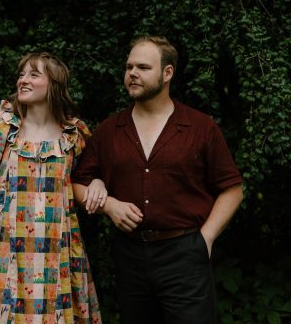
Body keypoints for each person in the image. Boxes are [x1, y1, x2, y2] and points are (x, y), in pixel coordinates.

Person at [71, 36, 244, 324]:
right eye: (129, 67)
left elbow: (232, 189)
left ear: (167, 73)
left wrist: (205, 239)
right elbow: (78, 184)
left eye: (143, 67)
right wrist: (109, 205)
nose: (132, 73)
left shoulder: (200, 127)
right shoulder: (110, 130)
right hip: (129, 255)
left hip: (184, 252)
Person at [0, 52, 103, 323]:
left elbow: (90, 173)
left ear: (55, 85)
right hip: (9, 244)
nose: (23, 80)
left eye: (34, 75)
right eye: (21, 74)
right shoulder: (4, 127)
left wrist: (98, 181)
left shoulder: (74, 134)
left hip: (59, 244)